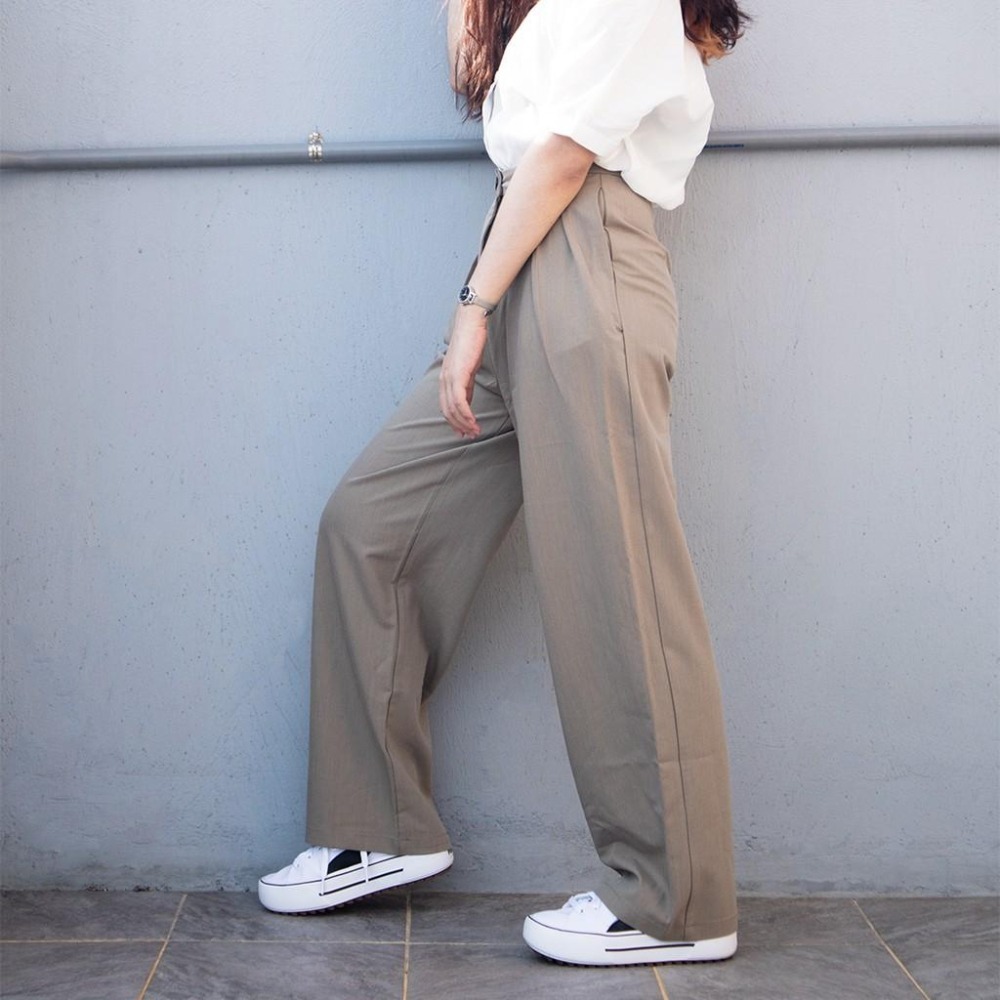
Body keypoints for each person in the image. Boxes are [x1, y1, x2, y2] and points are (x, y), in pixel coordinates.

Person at [258, 0, 750, 967]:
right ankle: (377, 825)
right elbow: (475, 76)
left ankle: (676, 902)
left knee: (620, 584)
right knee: (372, 528)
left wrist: (474, 304)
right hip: (522, 252)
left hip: (586, 256)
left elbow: (563, 154)